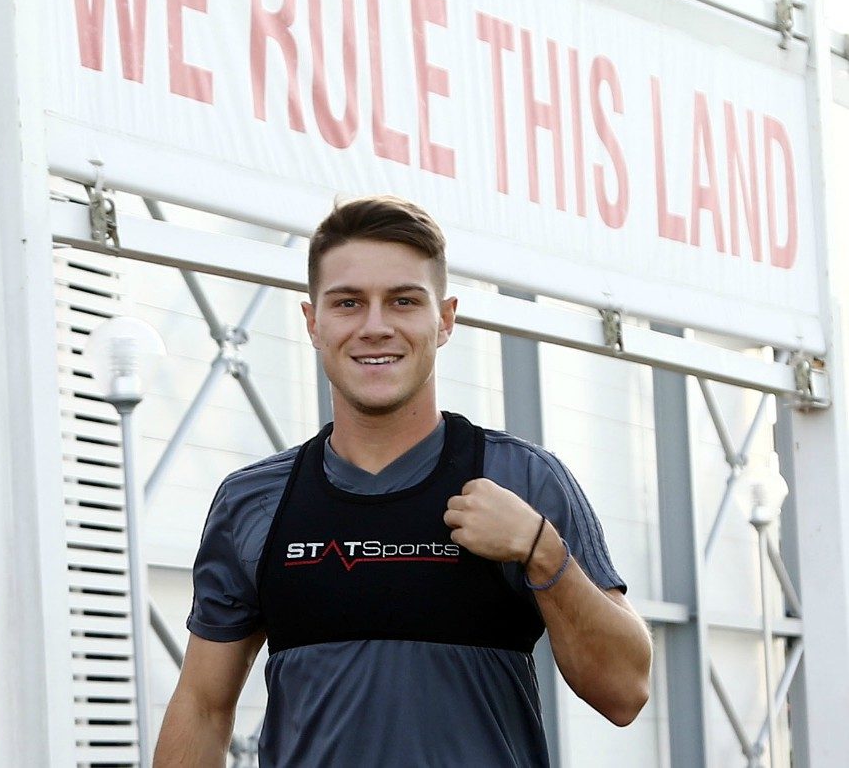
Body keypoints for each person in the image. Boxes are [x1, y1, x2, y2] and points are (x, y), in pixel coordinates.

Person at [153, 196, 652, 767]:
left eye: (404, 301)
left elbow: (624, 693)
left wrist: (543, 552)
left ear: (445, 319)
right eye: (348, 303)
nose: (375, 326)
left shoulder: (521, 480)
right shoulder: (256, 502)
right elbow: (202, 706)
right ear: (313, 322)